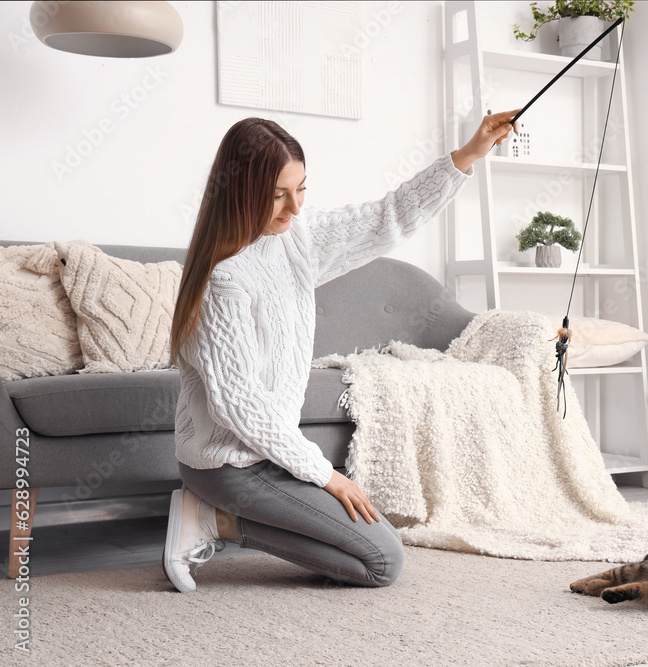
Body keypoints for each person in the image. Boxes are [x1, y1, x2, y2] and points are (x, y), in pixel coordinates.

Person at [163, 111, 518, 593]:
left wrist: (467, 156)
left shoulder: (295, 237)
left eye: (301, 189)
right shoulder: (225, 278)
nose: (293, 208)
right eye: (276, 196)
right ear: (240, 193)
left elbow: (387, 217)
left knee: (376, 555)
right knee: (382, 563)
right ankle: (215, 519)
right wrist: (326, 476)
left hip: (272, 455)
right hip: (227, 464)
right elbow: (239, 405)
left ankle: (220, 519)